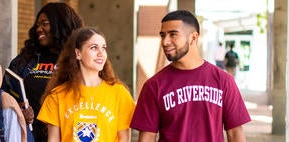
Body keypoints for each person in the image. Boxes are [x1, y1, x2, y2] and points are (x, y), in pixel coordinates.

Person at [130, 10, 250, 142]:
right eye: (163, 35)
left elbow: (235, 133)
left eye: (173, 35)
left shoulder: (223, 81)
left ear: (193, 37)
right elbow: (147, 137)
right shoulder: (153, 86)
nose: (165, 42)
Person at [36, 27, 135, 142]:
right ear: (78, 53)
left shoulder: (120, 94)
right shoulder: (57, 96)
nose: (101, 53)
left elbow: (124, 139)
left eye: (103, 48)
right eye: (94, 48)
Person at [2, 2, 83, 141]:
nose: (39, 29)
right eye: (37, 25)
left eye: (44, 23)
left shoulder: (80, 59)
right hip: (30, 135)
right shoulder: (25, 60)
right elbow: (4, 93)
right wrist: (18, 110)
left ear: (61, 24)